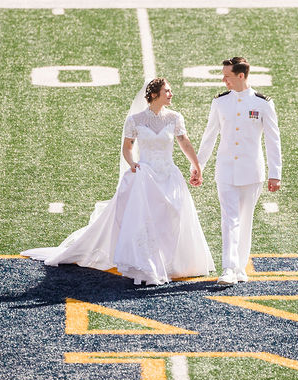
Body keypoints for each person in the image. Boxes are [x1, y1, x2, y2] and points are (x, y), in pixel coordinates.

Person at [22, 78, 214, 285]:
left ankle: (169, 262)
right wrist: (132, 163)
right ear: (154, 95)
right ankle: (148, 263)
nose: (171, 94)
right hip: (145, 175)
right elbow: (128, 147)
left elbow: (184, 142)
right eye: (167, 91)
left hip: (169, 175)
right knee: (146, 219)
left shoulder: (175, 118)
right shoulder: (135, 120)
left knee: (173, 217)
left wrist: (196, 165)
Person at [196, 57, 282, 286]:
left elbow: (273, 140)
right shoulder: (220, 102)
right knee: (229, 219)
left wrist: (276, 173)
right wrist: (198, 166)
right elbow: (209, 136)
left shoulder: (263, 103)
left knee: (245, 220)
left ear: (241, 76)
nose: (224, 80)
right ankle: (228, 268)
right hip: (225, 170)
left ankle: (240, 266)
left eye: (228, 76)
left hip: (252, 171)